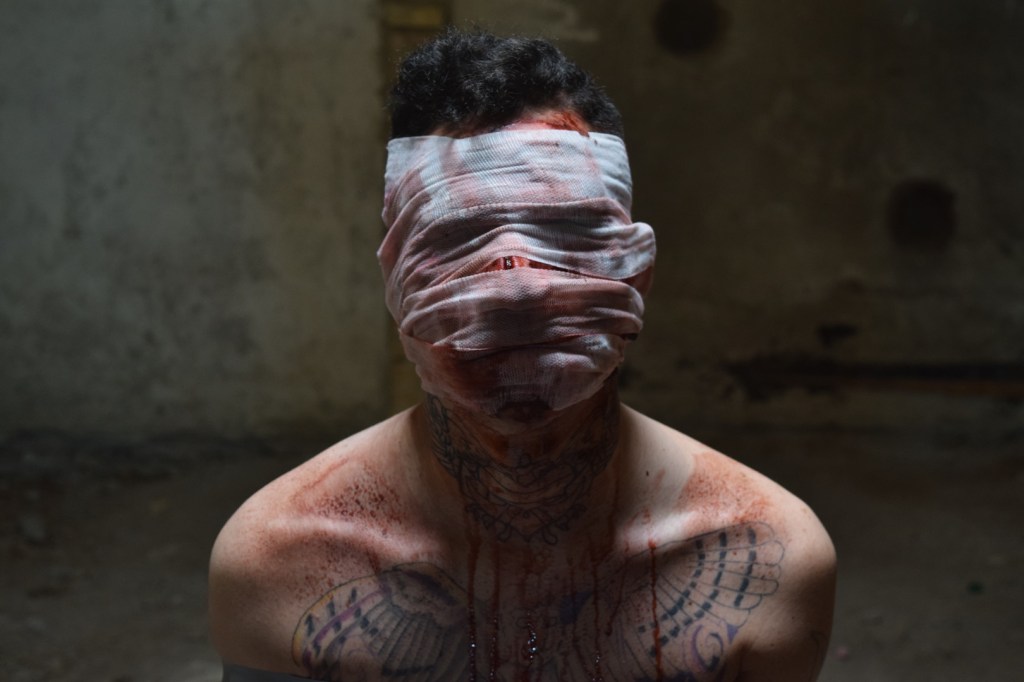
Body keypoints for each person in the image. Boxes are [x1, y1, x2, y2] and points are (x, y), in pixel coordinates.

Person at [209, 28, 836, 682]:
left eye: (566, 232)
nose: (521, 289)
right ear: (396, 283)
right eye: (460, 238)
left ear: (638, 273)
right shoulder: (281, 561)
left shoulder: (770, 563)